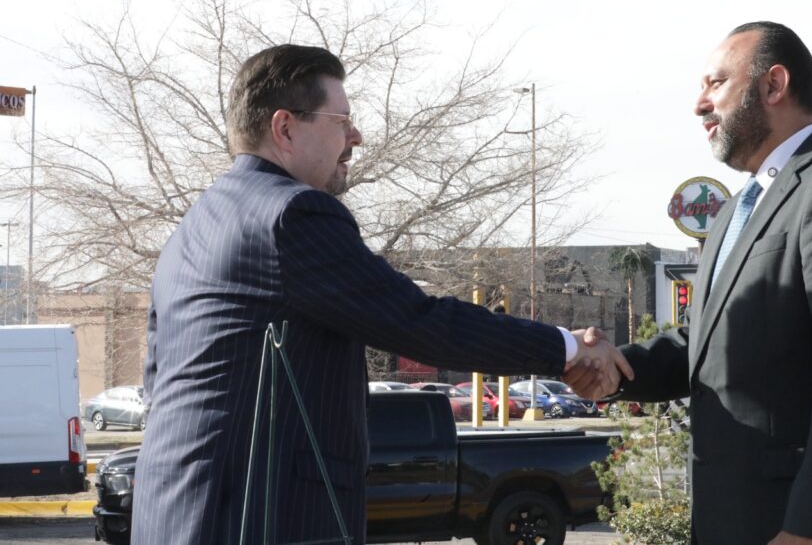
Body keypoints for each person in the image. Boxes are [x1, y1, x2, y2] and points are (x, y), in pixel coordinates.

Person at [130, 43, 632, 545]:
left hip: (170, 512)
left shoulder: (193, 227)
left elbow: (157, 378)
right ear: (285, 128)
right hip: (264, 518)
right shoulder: (292, 215)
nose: (356, 137)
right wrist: (567, 349)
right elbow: (419, 322)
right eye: (341, 121)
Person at [567, 21, 812, 544]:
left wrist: (810, 527)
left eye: (716, 83)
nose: (699, 104)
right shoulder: (734, 211)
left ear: (774, 85)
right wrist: (616, 370)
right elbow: (702, 345)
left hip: (797, 527)